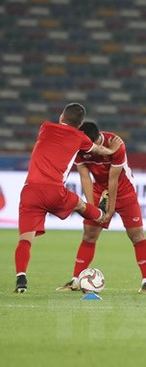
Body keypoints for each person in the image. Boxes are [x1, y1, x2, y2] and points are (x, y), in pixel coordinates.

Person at [15, 103, 123, 293]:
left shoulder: (45, 127)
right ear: (80, 124)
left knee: (25, 239)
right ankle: (99, 213)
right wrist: (113, 150)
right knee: (80, 204)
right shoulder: (80, 137)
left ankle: (21, 279)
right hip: (55, 191)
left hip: (30, 191)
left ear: (62, 116)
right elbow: (99, 150)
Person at [56, 122, 146, 294]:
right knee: (89, 234)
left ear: (97, 140)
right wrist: (92, 208)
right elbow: (85, 177)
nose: (89, 150)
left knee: (136, 235)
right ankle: (75, 279)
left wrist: (110, 210)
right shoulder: (79, 146)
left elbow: (113, 180)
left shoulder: (116, 144)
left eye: (91, 147)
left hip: (124, 191)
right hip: (97, 189)